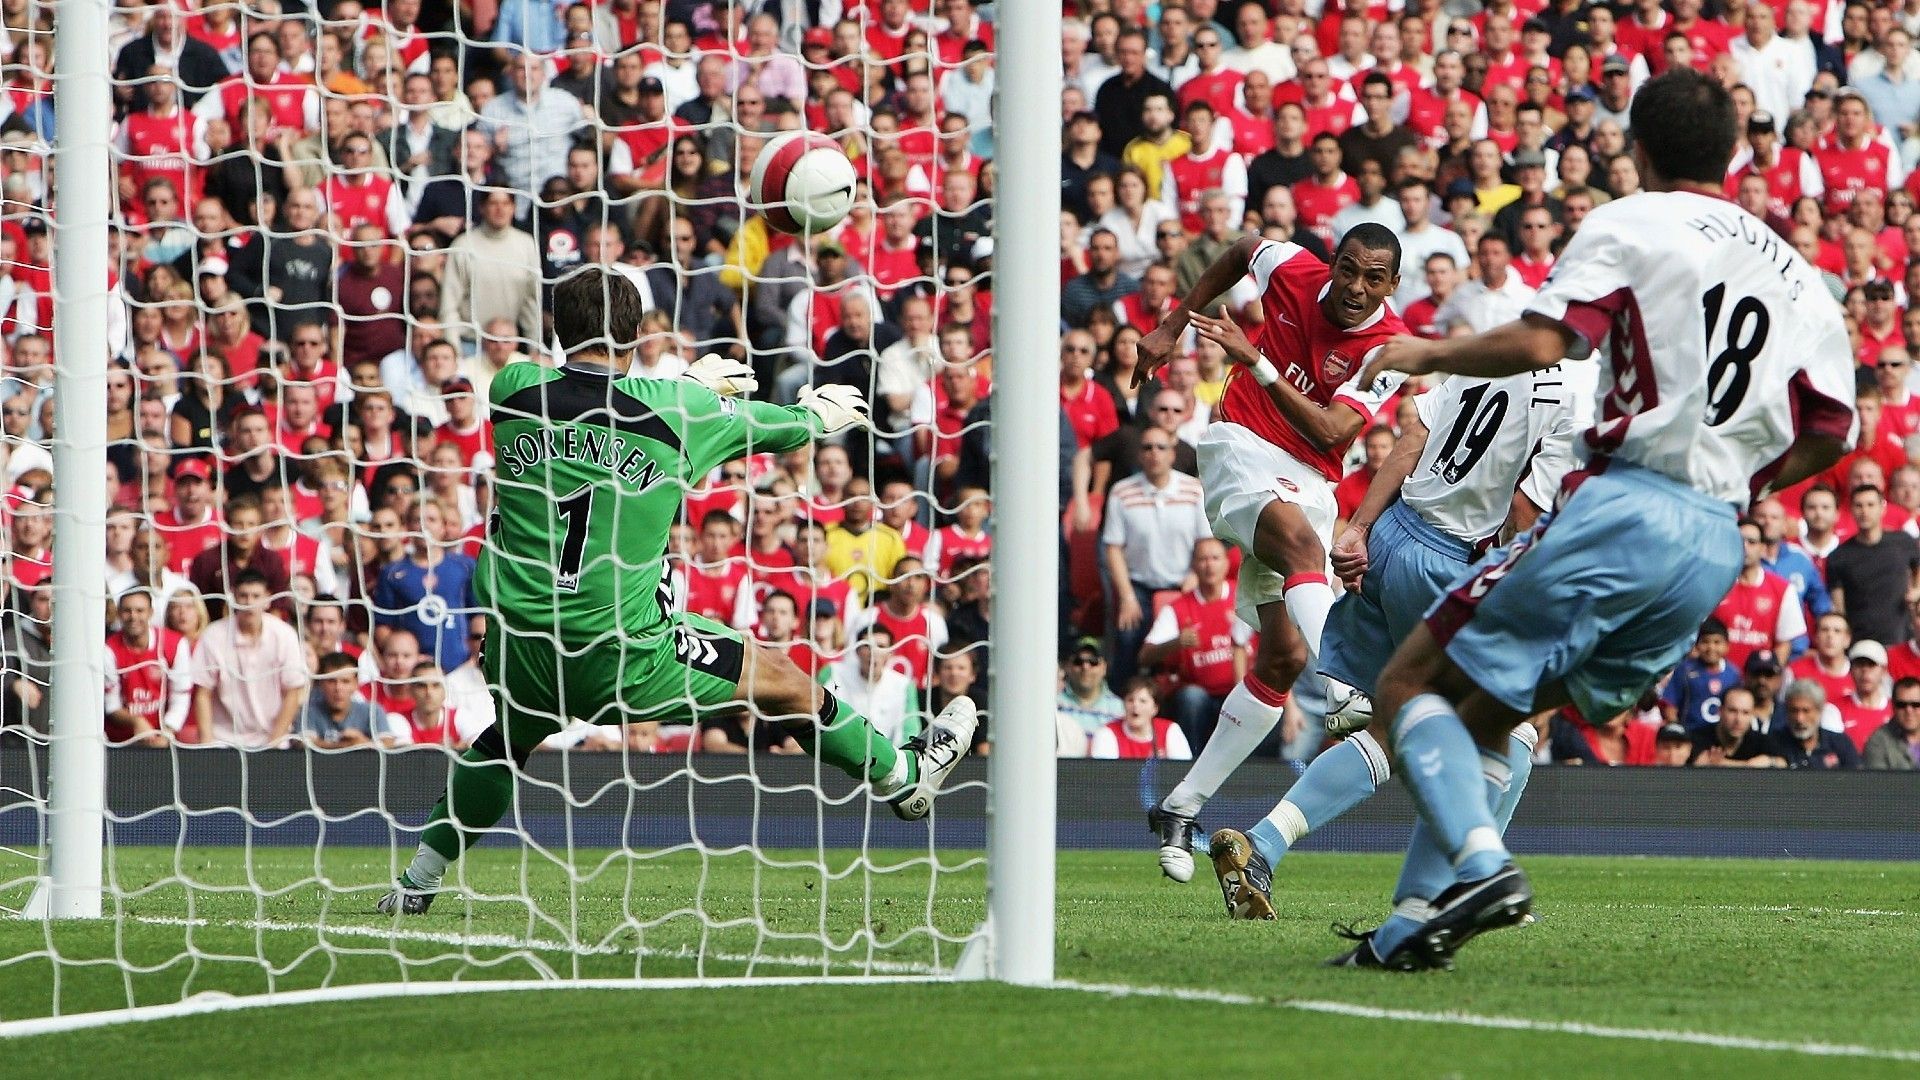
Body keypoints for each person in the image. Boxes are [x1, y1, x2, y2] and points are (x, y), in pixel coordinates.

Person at [1320, 70, 1855, 970]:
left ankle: (1484, 866)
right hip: (1716, 543)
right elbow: (1835, 432)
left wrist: (1424, 349)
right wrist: (1744, 486)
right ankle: (1410, 926)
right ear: (1733, 153)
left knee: (1408, 687)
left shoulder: (1632, 222)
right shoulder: (1796, 269)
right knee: (1491, 715)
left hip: (1626, 503)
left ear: (1637, 149)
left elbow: (1545, 340)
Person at [379, 267, 976, 915]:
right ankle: (904, 778)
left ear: (555, 328)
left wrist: (682, 385)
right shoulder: (679, 413)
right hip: (626, 653)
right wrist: (809, 414)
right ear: (637, 334)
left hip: (521, 648)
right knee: (785, 681)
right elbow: (780, 425)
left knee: (505, 743)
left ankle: (417, 883)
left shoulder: (513, 390)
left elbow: (592, 402)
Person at [1193, 335, 1594, 896]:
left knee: (1387, 726)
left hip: (1393, 534)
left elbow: (1414, 438)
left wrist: (1358, 527)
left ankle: (1261, 845)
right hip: (1445, 564)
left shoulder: (1496, 350)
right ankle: (1474, 884)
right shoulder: (1582, 393)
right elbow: (1524, 513)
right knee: (1514, 729)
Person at [1133, 222, 1412, 877]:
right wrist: (1174, 326)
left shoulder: (1387, 348)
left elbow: (1332, 427)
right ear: (1334, 263)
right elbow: (1237, 247)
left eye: (1374, 278)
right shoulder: (1291, 267)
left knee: (1284, 656)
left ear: (1392, 285)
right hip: (1240, 446)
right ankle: (1344, 682)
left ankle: (1179, 806)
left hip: (1310, 478)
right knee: (1300, 549)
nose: (1356, 287)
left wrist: (1251, 357)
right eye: (1349, 269)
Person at [189, 570, 309, 748]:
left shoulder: (285, 635)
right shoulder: (213, 635)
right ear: (233, 597)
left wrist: (274, 743)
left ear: (268, 599)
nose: (249, 602)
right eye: (243, 596)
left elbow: (292, 692)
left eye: (256, 596)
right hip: (223, 740)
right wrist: (207, 743)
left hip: (272, 739)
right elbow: (202, 692)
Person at [1660, 619, 1738, 737]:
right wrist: (1679, 735)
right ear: (1696, 645)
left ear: (1727, 646)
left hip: (1721, 738)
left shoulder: (1734, 674)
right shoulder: (1684, 670)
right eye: (1705, 642)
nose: (1711, 647)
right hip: (1691, 735)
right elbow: (1670, 707)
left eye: (1717, 642)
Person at [1090, 678, 1194, 760]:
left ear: (1155, 709)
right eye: (1130, 700)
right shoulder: (1107, 732)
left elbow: (1183, 774)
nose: (1135, 705)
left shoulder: (1170, 730)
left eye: (1143, 701)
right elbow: (1105, 776)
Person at [1771, 679, 1862, 768]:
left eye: (1806, 711)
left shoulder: (1840, 743)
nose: (1799, 719)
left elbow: (1857, 779)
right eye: (1794, 711)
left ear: (1820, 711)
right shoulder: (1774, 743)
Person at [300, 651, 380, 749]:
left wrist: (363, 741)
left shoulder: (372, 711)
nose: (338, 688)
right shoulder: (307, 712)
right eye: (331, 681)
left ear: (356, 684)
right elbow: (304, 744)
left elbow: (388, 744)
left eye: (345, 681)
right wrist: (349, 745)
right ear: (321, 683)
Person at [1862, 675, 1920, 768]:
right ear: (1893, 706)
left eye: (1916, 704)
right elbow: (1877, 781)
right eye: (1901, 705)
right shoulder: (1878, 742)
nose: (1909, 710)